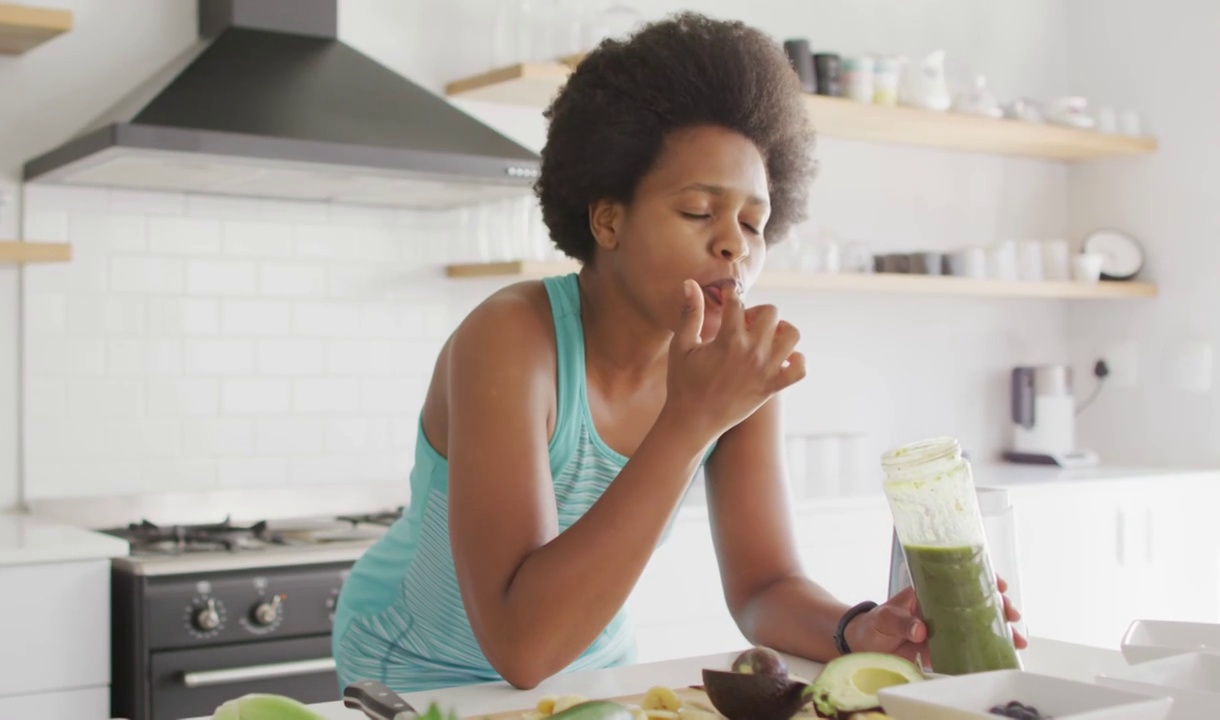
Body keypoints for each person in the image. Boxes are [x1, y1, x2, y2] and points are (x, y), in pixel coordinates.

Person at [331, 11, 1025, 693]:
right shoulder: (514, 338)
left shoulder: (734, 364)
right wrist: (691, 420)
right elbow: (522, 645)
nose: (735, 245)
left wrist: (857, 628)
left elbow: (764, 585)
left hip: (592, 670)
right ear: (608, 219)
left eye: (754, 223)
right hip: (415, 675)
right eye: (698, 211)